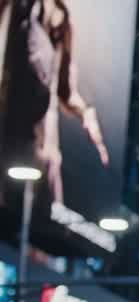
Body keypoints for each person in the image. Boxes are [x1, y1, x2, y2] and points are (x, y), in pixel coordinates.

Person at [7, 0, 110, 205]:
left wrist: (87, 115)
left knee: (44, 212)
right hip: (12, 130)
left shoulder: (62, 24)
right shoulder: (17, 11)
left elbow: (65, 91)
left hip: (44, 139)